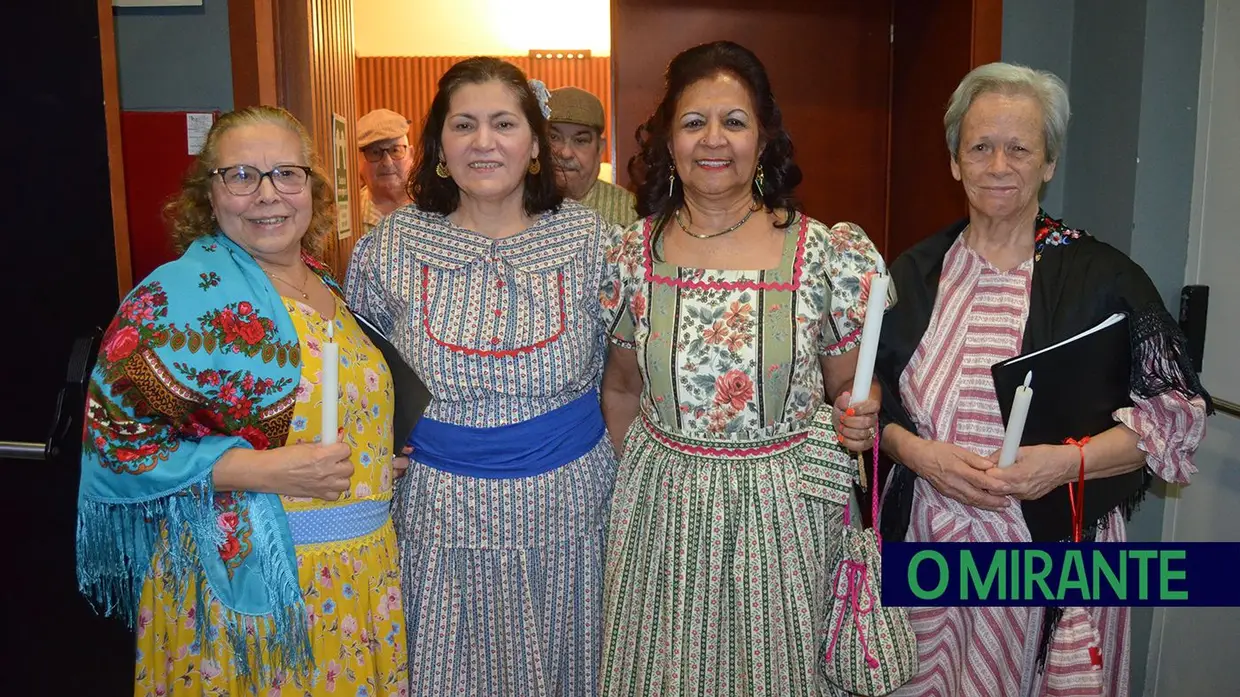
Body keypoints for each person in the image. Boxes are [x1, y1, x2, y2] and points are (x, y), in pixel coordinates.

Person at [874, 62, 1212, 697]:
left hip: (1046, 558)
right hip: (927, 547)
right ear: (955, 161)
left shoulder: (1102, 277)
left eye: (1020, 147)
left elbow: (1176, 418)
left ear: (1049, 162)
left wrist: (1060, 465)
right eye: (980, 146)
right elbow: (876, 400)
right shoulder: (915, 272)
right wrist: (919, 454)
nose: (999, 165)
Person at [76, 105, 410, 696]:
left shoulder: (324, 279)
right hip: (247, 584)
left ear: (313, 186)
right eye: (241, 176)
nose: (267, 194)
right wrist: (260, 468)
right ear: (210, 193)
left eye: (287, 173)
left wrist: (378, 452)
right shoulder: (176, 297)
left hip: (357, 575)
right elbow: (115, 442)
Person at [598, 40, 885, 697]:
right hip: (662, 508)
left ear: (763, 139)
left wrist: (862, 403)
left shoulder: (823, 252)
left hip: (783, 512)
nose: (713, 140)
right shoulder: (631, 255)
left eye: (734, 120)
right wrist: (645, 490)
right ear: (669, 142)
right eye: (693, 122)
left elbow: (851, 382)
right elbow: (620, 387)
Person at [345, 58, 616, 696]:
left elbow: (625, 373)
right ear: (439, 145)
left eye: (503, 123)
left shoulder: (593, 242)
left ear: (533, 144)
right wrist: (376, 451)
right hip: (437, 512)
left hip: (571, 507)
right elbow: (359, 373)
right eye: (463, 125)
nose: (484, 142)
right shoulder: (390, 246)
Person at [546, 85, 638, 229]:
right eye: (554, 137)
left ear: (600, 148)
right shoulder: (515, 204)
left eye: (580, 140)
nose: (565, 153)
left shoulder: (630, 211)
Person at [357, 107, 415, 235]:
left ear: (411, 155)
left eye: (396, 150)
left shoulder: (437, 207)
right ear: (359, 162)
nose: (387, 162)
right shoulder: (347, 217)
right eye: (375, 152)